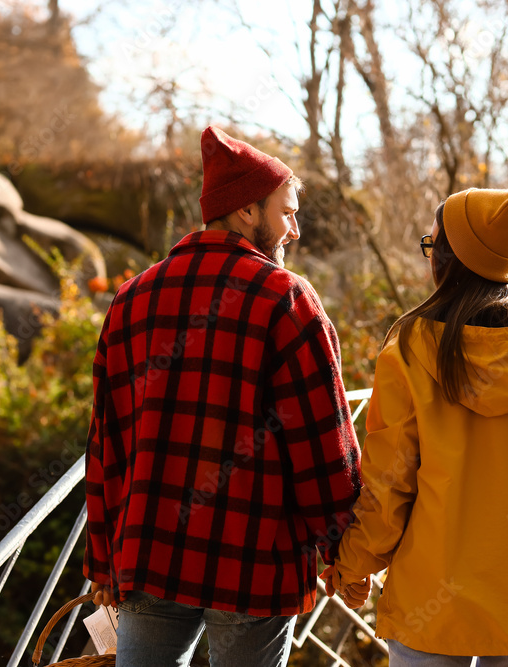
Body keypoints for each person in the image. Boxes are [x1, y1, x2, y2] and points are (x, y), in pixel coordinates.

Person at [83, 126, 362, 667]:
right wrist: (345, 553)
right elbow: (321, 442)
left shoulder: (131, 298)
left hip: (151, 552)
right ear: (246, 212)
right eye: (287, 212)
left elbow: (106, 442)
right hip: (253, 561)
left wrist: (102, 560)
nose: (295, 230)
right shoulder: (286, 299)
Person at [326, 188, 508, 666]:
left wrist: (354, 565)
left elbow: (389, 482)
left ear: (448, 257)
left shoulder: (410, 346)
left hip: (433, 601)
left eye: (432, 244)